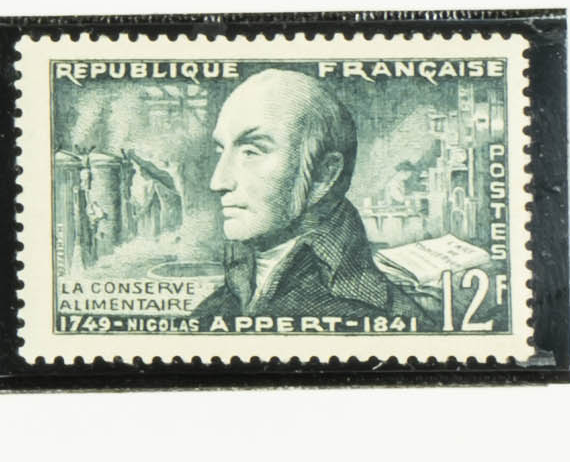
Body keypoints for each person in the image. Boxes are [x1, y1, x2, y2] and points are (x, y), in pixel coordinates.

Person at [177, 67, 417, 329]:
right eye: (221, 151)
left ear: (324, 173)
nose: (218, 182)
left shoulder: (385, 317)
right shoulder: (221, 304)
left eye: (251, 152)